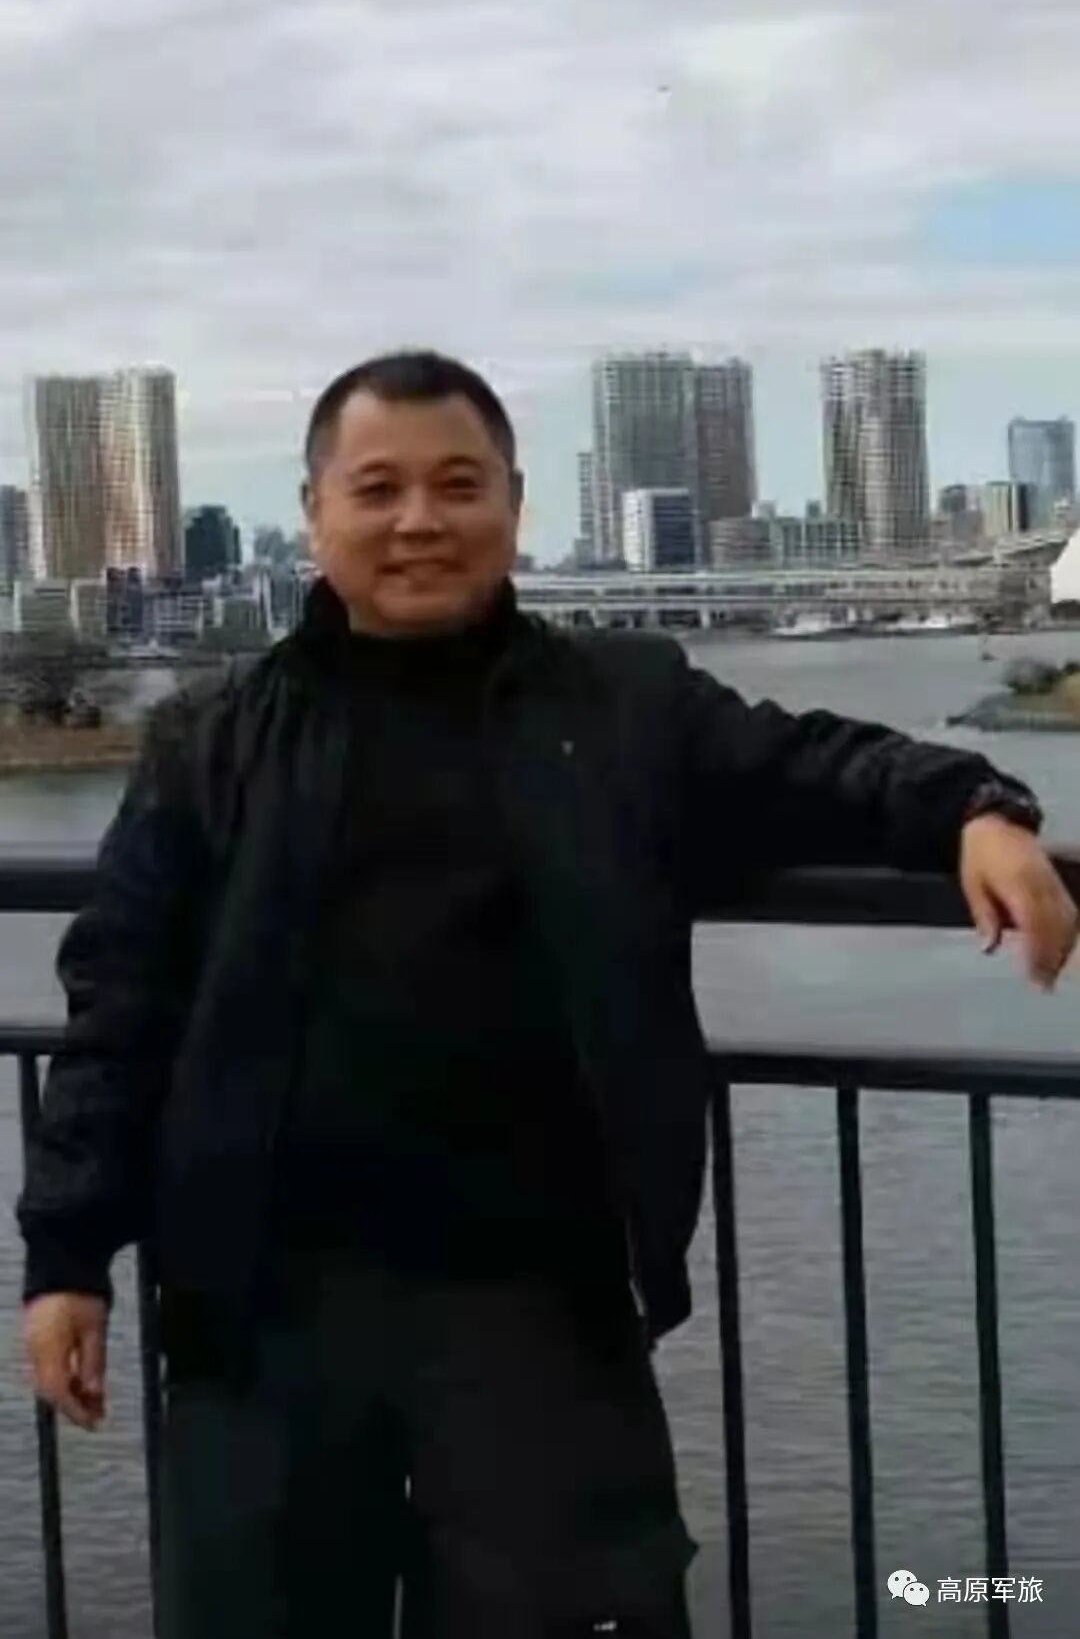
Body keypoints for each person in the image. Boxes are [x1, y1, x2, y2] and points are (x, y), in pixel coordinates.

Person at [16, 349, 1079, 1639]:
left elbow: (814, 765)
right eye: (379, 489)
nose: (420, 520)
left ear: (514, 506)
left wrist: (977, 807)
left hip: (542, 1301)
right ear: (315, 514)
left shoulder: (623, 706)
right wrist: (67, 1257)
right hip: (261, 1309)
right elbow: (119, 1001)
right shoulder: (212, 739)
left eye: (459, 486)